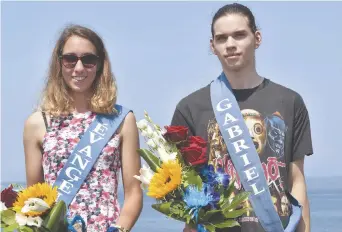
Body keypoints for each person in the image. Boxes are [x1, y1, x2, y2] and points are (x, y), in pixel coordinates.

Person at [171, 3, 312, 232]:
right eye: (222, 38)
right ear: (212, 46)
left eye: (239, 35)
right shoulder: (190, 108)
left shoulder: (289, 101)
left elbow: (297, 181)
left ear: (257, 38)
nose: (230, 45)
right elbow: (188, 194)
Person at [23, 24, 143, 232]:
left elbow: (133, 192)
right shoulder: (37, 123)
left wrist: (119, 229)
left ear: (100, 65)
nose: (79, 68)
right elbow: (34, 197)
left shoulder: (122, 120)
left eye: (88, 60)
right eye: (70, 59)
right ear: (59, 64)